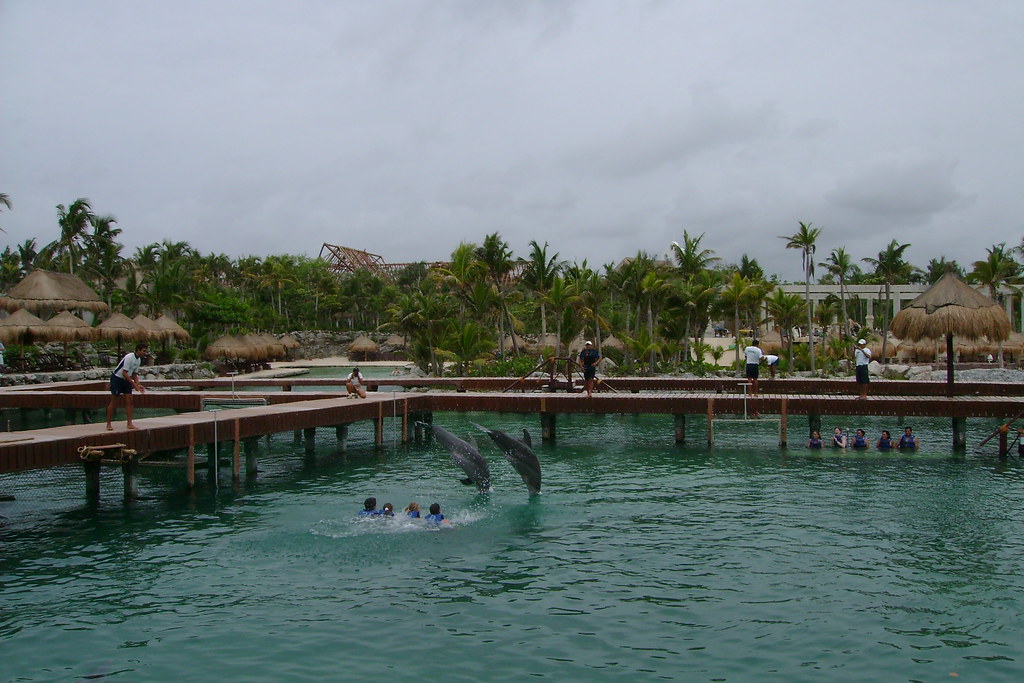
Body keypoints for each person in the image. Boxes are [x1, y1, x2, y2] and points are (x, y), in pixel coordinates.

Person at [106, 342, 149, 431]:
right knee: (114, 401)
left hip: (126, 380)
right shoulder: (129, 357)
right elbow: (124, 373)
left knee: (129, 401)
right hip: (117, 378)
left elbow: (134, 374)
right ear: (138, 350)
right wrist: (134, 385)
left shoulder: (138, 360)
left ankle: (129, 423)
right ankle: (108, 424)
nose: (145, 353)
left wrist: (138, 384)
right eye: (144, 351)